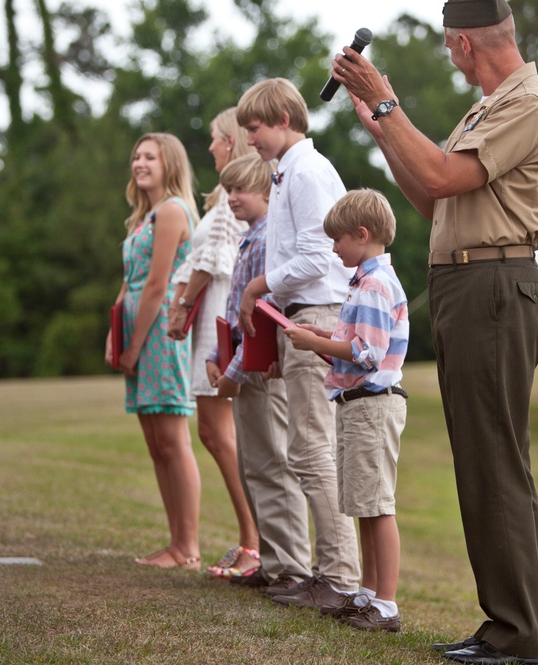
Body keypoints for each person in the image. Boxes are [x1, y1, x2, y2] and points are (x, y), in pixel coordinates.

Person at [333, 0, 538, 661]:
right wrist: (382, 129)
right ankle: (503, 626)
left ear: (464, 44)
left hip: (494, 288)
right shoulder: (489, 106)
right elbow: (437, 202)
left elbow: (440, 173)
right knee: (482, 465)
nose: (449, 57)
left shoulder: (527, 101)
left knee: (496, 466)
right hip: (471, 286)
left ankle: (518, 637)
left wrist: (388, 106)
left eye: (448, 47)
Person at [235, 77, 362, 609]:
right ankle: (327, 570)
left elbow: (320, 257)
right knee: (306, 447)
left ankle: (337, 578)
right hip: (298, 318)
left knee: (312, 449)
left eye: (256, 128)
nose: (250, 141)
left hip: (316, 316)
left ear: (284, 119)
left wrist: (257, 287)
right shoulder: (287, 171)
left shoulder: (306, 171)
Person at [284, 189, 409, 633]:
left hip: (373, 407)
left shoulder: (374, 285)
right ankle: (368, 595)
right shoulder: (363, 282)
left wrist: (317, 343)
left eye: (338, 240)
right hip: (356, 406)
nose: (333, 248)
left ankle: (387, 605)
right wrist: (320, 338)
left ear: (363, 234)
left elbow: (368, 353)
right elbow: (351, 351)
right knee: (362, 502)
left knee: (377, 505)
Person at [205, 153, 310, 585]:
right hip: (240, 367)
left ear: (267, 191)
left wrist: (232, 370)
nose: (231, 198)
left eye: (240, 190)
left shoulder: (268, 240)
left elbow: (259, 318)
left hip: (258, 371)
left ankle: (292, 567)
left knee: (274, 468)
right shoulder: (250, 237)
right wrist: (217, 355)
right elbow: (233, 310)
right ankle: (270, 562)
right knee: (254, 467)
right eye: (227, 190)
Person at [166, 108, 260, 577]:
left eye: (216, 139)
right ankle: (253, 537)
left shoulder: (232, 196)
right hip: (214, 311)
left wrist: (182, 303)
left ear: (232, 142)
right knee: (216, 432)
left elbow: (210, 257)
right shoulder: (229, 196)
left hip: (220, 311)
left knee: (219, 433)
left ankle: (254, 541)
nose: (210, 148)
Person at [105, 132, 202, 570]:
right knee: (154, 442)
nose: (140, 163)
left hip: (160, 335)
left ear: (170, 165)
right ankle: (174, 543)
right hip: (136, 334)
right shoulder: (143, 217)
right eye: (136, 156)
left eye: (150, 157)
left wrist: (136, 346)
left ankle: (187, 547)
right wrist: (116, 336)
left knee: (172, 439)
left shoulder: (172, 211)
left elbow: (158, 286)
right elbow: (130, 281)